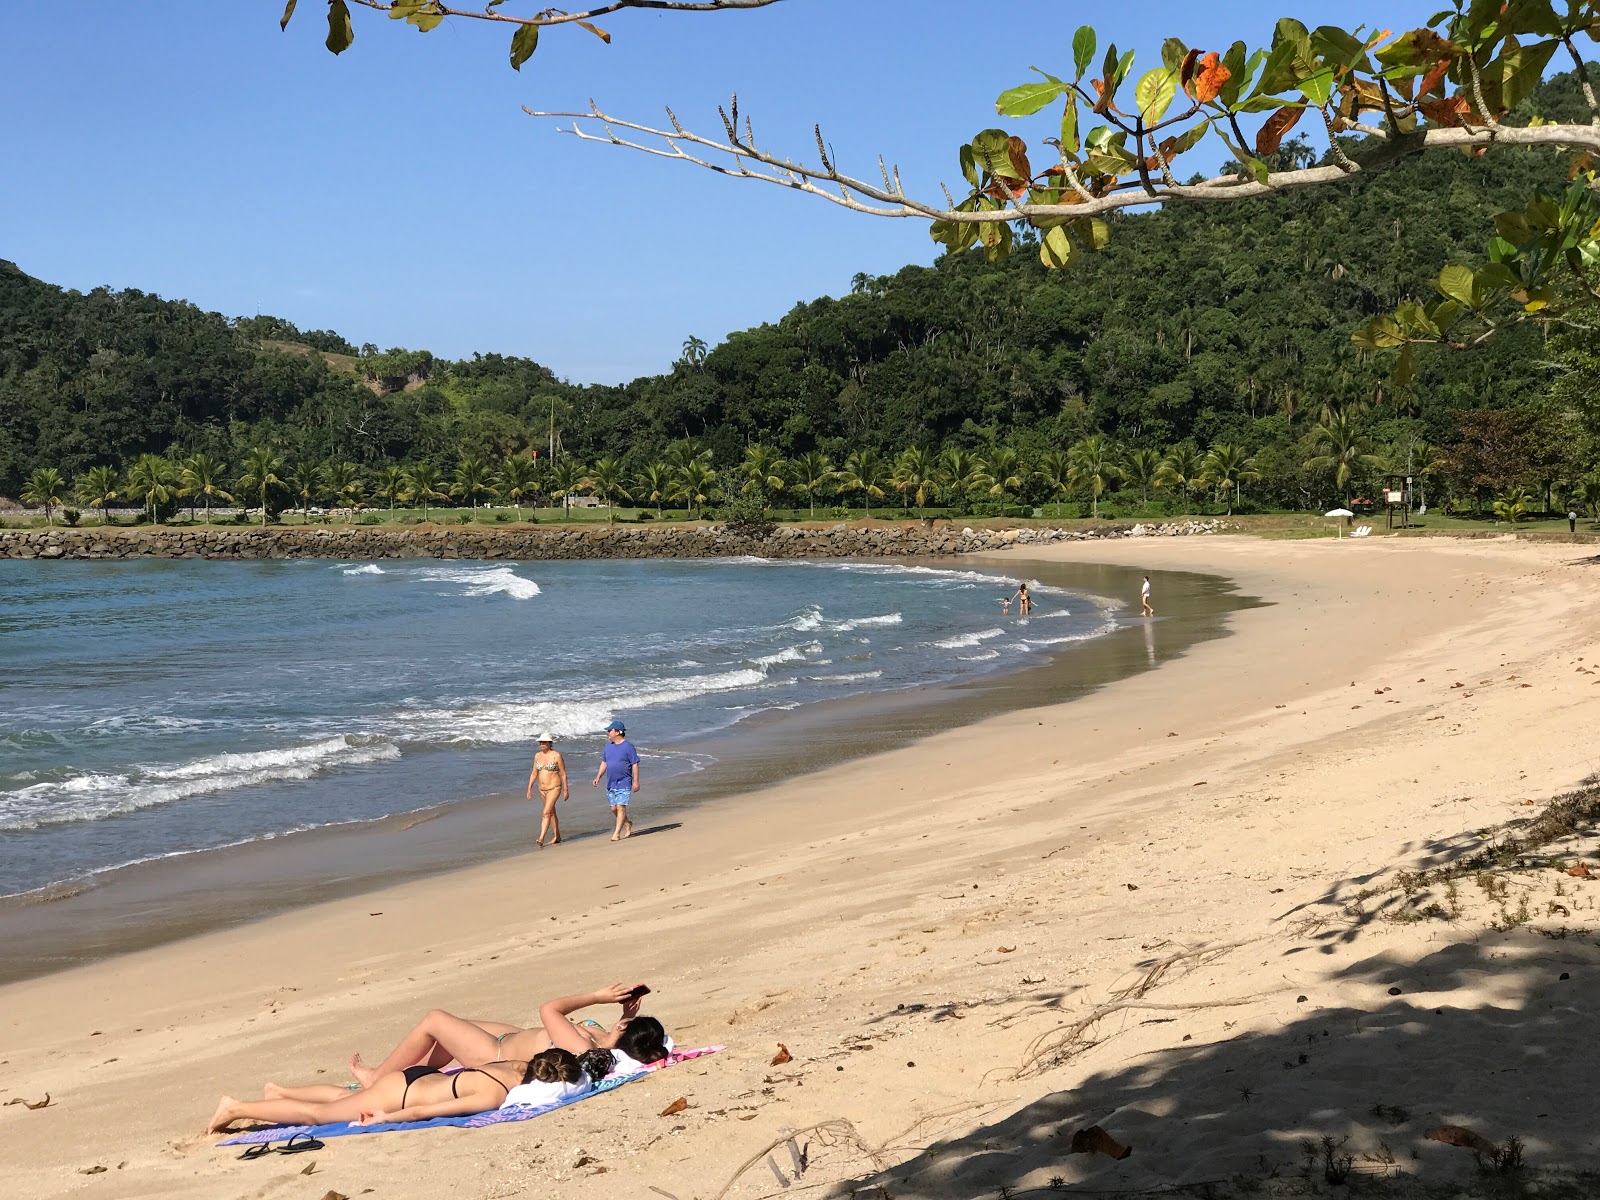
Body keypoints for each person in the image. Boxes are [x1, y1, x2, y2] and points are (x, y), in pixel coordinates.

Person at [347, 983, 668, 1089]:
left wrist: (597, 996)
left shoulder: (582, 1045)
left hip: (498, 1054)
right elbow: (616, 1039)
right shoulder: (605, 1042)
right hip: (513, 1037)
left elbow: (549, 1010)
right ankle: (413, 1074)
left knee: (435, 1021)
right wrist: (625, 1016)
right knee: (452, 1029)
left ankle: (376, 1078)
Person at [208, 1048, 587, 1133]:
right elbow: (423, 1114)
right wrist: (386, 1117)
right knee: (317, 1118)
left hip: (415, 1077)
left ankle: (278, 1093)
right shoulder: (494, 1097)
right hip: (400, 1097)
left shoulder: (511, 1065)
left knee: (344, 1098)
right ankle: (236, 1107)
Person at [591, 720, 639, 841]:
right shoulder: (608, 747)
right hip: (611, 782)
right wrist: (598, 777)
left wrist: (636, 781)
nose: (608, 732)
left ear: (618, 732)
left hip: (624, 781)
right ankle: (627, 823)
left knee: (621, 807)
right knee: (614, 808)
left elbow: (635, 764)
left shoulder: (628, 747)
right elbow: (604, 763)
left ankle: (616, 833)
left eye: (610, 730)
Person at [526, 733, 568, 847]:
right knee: (551, 813)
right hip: (542, 789)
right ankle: (557, 836)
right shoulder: (537, 756)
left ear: (550, 743)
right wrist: (529, 788)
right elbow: (534, 773)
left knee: (545, 813)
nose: (541, 744)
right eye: (540, 742)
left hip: (554, 788)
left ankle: (541, 838)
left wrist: (565, 790)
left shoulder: (556, 755)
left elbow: (563, 774)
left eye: (544, 742)